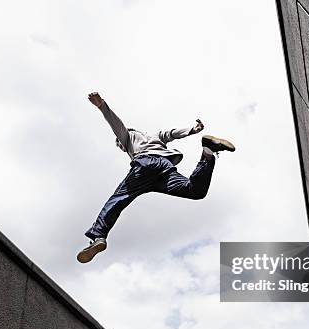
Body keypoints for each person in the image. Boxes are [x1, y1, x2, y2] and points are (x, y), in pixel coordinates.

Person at [77, 92, 236, 263]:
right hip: (164, 169)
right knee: (195, 190)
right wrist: (192, 130)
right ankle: (208, 151)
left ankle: (98, 236)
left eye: (119, 144)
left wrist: (102, 105)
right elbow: (172, 133)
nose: (121, 147)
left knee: (117, 199)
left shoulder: (128, 136)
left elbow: (116, 124)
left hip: (146, 165)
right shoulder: (155, 136)